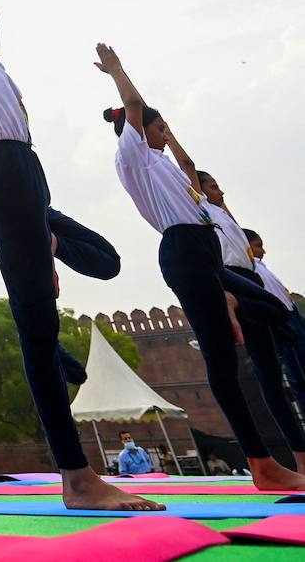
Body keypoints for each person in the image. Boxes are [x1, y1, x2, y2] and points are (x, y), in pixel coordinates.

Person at [0, 0, 157, 512]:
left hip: (26, 173)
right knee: (38, 328)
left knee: (106, 260)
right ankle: (77, 476)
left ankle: (46, 242)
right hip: (2, 171)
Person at [94, 43, 305, 491]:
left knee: (275, 311)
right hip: (184, 253)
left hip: (206, 255)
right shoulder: (134, 157)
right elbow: (132, 106)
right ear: (140, 129)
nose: (166, 132)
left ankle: (229, 301)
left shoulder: (166, 166)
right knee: (221, 359)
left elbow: (186, 165)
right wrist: (118, 70)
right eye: (160, 126)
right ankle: (262, 463)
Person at [197, 173, 305, 473]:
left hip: (260, 289)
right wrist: (169, 130)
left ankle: (300, 455)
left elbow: (239, 230)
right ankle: (292, 458)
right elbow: (188, 166)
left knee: (277, 380)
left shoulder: (227, 222)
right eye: (213, 186)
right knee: (281, 380)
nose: (220, 191)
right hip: (235, 281)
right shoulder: (203, 214)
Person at [243, 229, 305, 417]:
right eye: (258, 246)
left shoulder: (260, 266)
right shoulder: (247, 267)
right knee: (300, 378)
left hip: (293, 315)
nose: (263, 251)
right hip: (283, 321)